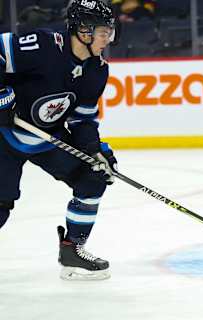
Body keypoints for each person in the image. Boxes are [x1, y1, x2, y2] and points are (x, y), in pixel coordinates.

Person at [0, 0, 119, 280]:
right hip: (4, 135)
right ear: (83, 31)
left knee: (93, 177)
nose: (108, 39)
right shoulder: (43, 45)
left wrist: (94, 150)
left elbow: (82, 120)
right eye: (103, 32)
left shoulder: (96, 70)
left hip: (47, 138)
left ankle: (72, 251)